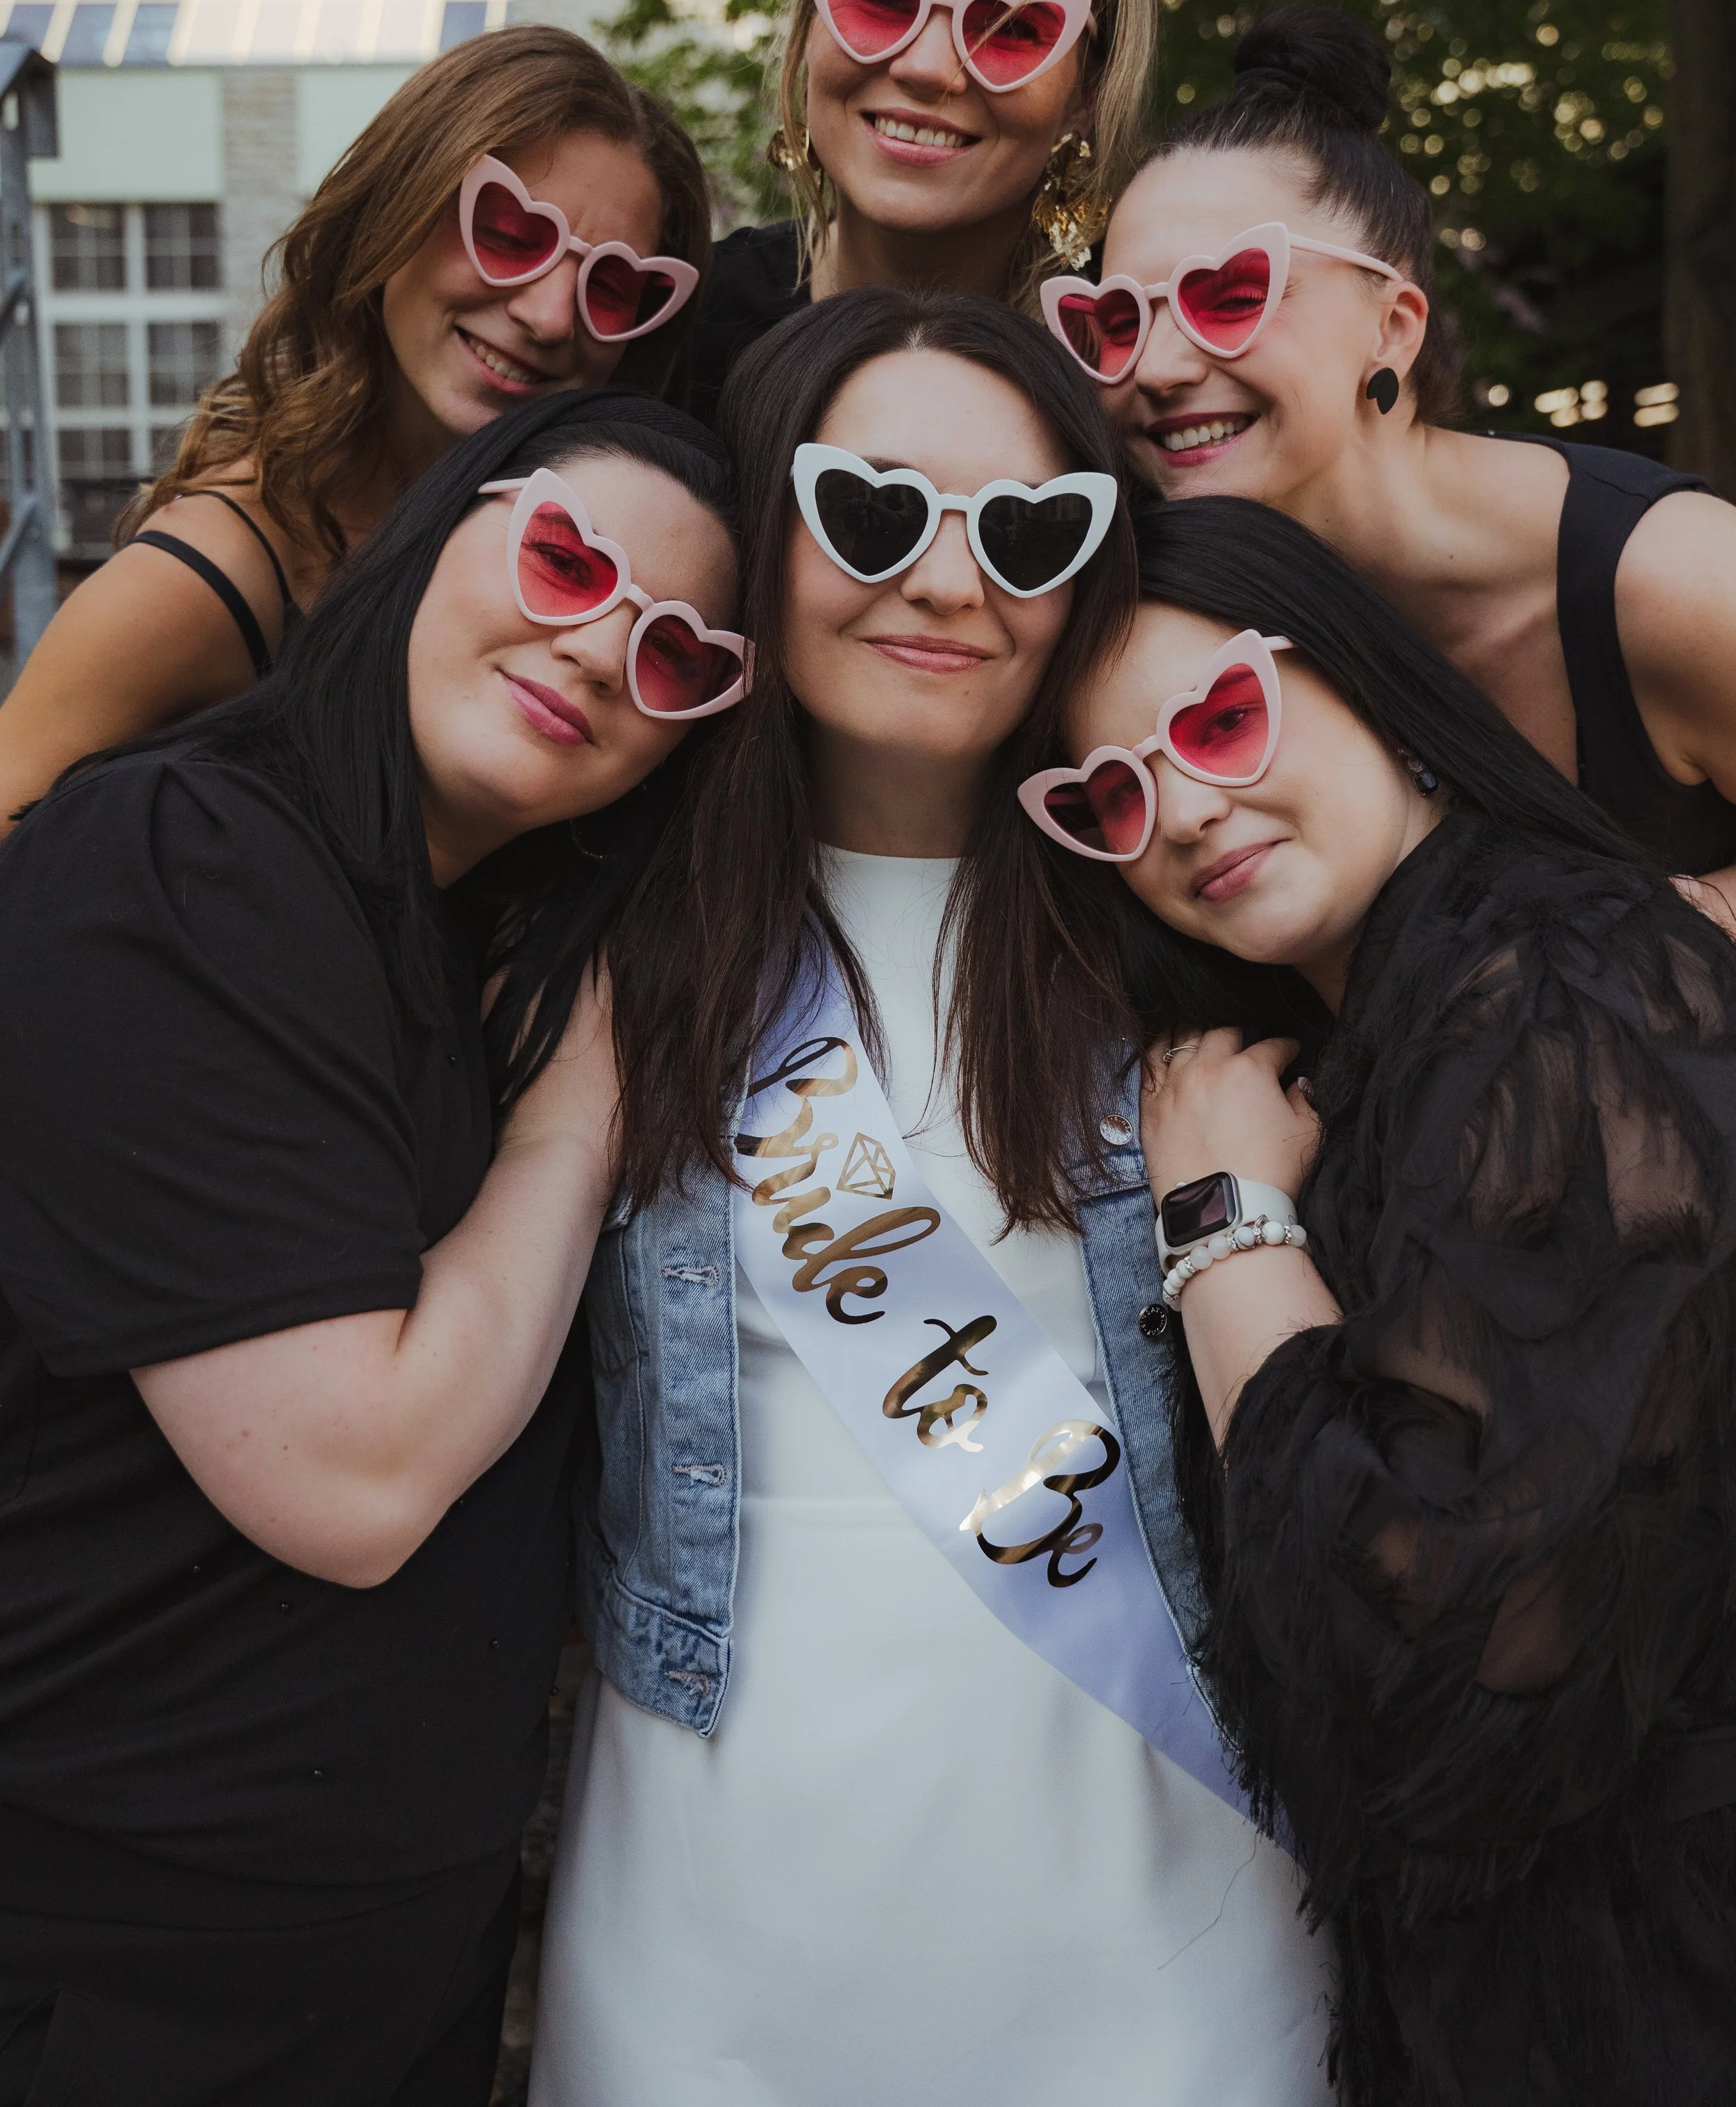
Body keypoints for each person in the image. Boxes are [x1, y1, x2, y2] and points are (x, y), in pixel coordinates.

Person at [531, 291, 1333, 2107]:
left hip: (1162, 1886)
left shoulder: (1190, 917)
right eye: (872, 511)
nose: (950, 584)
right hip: (715, 1898)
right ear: (764, 518)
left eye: (1028, 530)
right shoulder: (600, 939)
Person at [0, 388, 746, 2107]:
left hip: (380, 1956)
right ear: (436, 533)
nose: (596, 647)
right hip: (118, 1961)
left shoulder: (452, 926)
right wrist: (583, 1107)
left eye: (678, 658)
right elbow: (351, 1473)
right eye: (564, 557)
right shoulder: (179, 858)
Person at [1017, 490, 1736, 2106]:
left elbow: (1443, 1664)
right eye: (1109, 796)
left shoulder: (1554, 993)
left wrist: (1220, 1225)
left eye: (1220, 715)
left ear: (1370, 683)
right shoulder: (1408, 1019)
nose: (1183, 808)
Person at [1040, 0, 1736, 907]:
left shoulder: (1676, 580)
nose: (1160, 370)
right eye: (1119, 323)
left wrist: (1643, 960)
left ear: (1393, 325)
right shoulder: (1169, 627)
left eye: (1230, 295)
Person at [0, 24, 711, 833]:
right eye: (509, 232)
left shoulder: (566, 569)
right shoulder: (199, 581)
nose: (550, 315)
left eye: (615, 288)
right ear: (393, 209)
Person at [676, 0, 1156, 424]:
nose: (929, 69)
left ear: (1086, 92)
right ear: (811, 22)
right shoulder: (669, 328)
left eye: (1011, 28)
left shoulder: (1143, 366)